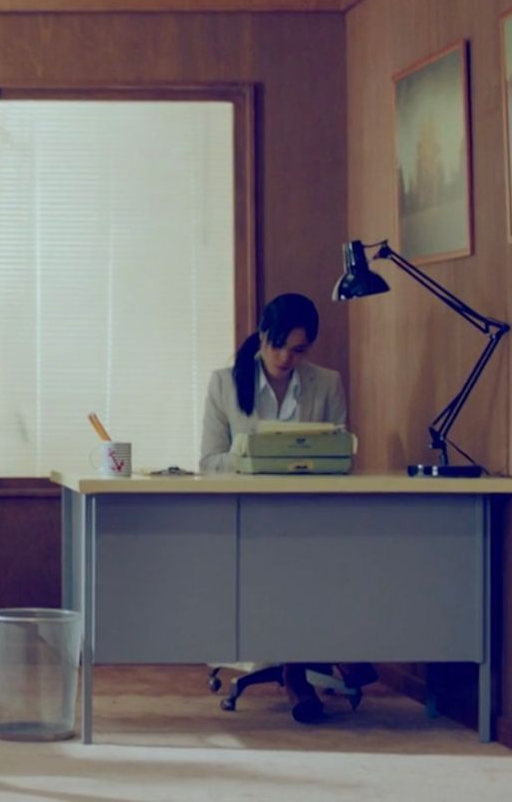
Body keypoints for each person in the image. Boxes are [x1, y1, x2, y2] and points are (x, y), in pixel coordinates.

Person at [199, 292, 377, 722]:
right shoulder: (225, 383)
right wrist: (257, 459)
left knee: (318, 556)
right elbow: (208, 463)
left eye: (297, 349)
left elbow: (342, 458)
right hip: (247, 517)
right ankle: (303, 673)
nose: (285, 357)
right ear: (262, 336)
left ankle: (303, 665)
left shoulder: (326, 383)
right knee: (292, 562)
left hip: (310, 514)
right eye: (277, 345)